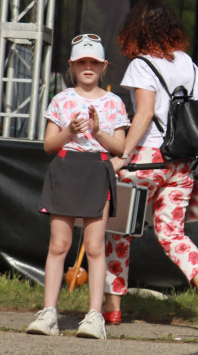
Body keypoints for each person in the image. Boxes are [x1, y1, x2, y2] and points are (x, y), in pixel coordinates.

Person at [102, 0, 198, 331]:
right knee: (172, 233)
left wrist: (123, 156)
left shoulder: (142, 65)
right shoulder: (189, 64)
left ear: (137, 30)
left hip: (147, 160)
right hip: (181, 162)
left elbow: (143, 114)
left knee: (117, 228)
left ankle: (112, 305)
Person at [27, 34, 129, 339]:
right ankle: (49, 315)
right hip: (64, 167)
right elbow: (48, 145)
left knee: (95, 247)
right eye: (82, 62)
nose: (88, 67)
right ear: (72, 65)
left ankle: (94, 316)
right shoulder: (61, 99)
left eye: (94, 62)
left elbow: (120, 148)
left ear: (104, 66)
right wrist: (70, 131)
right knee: (59, 245)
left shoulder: (113, 102)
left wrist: (98, 132)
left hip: (97, 170)